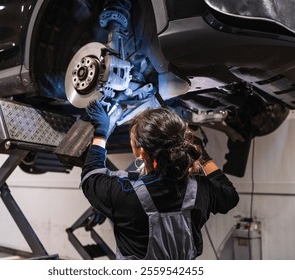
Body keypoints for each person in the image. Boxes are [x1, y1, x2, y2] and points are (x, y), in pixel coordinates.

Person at [81, 100, 239, 260]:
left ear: (140, 151)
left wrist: (101, 133)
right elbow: (230, 196)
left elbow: (91, 177)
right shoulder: (200, 189)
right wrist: (203, 156)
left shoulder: (126, 193)